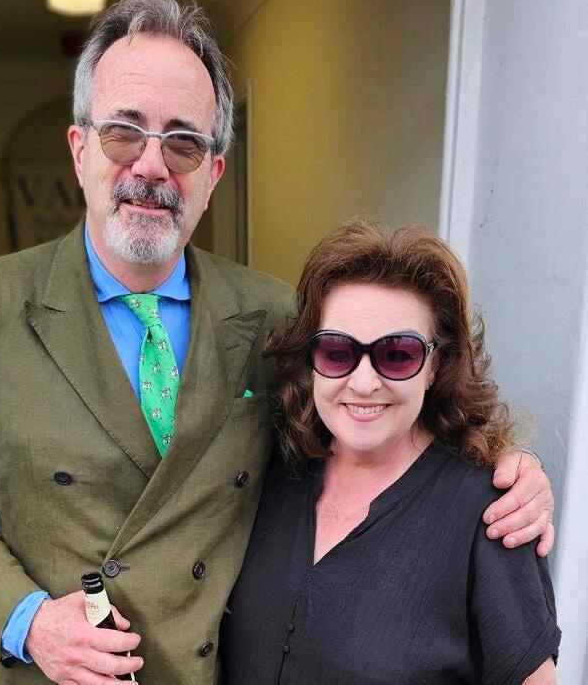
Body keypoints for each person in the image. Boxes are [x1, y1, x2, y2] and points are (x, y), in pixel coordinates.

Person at [0, 0, 553, 685]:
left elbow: (363, 417)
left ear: (212, 173)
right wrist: (28, 620)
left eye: (183, 142)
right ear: (80, 147)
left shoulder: (274, 316)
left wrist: (500, 471)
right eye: (124, 131)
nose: (151, 166)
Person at [220, 220, 560, 684]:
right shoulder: (272, 470)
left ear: (435, 364)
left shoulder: (492, 515)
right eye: (337, 352)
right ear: (311, 359)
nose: (364, 383)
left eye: (397, 354)